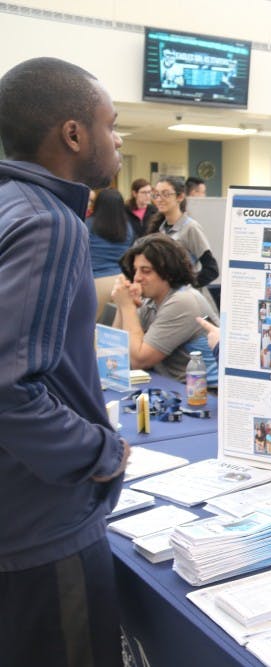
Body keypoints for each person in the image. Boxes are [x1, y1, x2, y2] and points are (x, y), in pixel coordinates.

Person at [0, 56, 130, 666]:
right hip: (44, 529)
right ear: (74, 134)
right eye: (111, 123)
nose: (119, 138)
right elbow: (8, 387)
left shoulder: (10, 204)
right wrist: (100, 452)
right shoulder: (49, 222)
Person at [111, 234, 219, 386]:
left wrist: (127, 307)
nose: (137, 278)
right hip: (172, 386)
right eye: (135, 270)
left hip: (206, 394)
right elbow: (116, 351)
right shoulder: (150, 299)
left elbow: (139, 360)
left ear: (168, 272)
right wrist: (123, 305)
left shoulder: (183, 301)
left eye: (146, 271)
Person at [148, 174, 219, 316]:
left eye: (166, 194)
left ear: (180, 197)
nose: (160, 199)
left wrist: (184, 286)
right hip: (168, 301)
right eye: (156, 195)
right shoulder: (161, 229)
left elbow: (211, 269)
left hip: (190, 305)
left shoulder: (190, 228)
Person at [87, 187, 134, 320]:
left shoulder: (88, 225)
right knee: (116, 331)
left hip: (95, 282)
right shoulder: (127, 228)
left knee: (92, 329)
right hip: (121, 281)